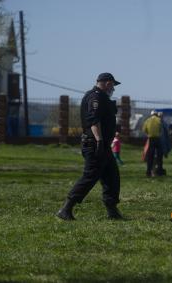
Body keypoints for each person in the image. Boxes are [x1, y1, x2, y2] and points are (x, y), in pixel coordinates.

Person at [57, 72, 123, 220]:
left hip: (103, 145)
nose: (113, 88)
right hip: (95, 144)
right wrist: (99, 141)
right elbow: (94, 121)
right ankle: (66, 209)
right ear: (107, 83)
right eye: (113, 85)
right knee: (90, 176)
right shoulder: (96, 97)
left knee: (112, 176)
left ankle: (112, 210)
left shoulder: (102, 97)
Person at [142, 110, 165, 177]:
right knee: (159, 156)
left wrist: (148, 134)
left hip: (151, 139)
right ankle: (159, 171)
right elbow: (161, 129)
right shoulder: (159, 120)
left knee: (150, 156)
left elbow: (144, 130)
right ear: (156, 114)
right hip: (158, 139)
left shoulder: (147, 120)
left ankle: (148, 171)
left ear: (151, 114)